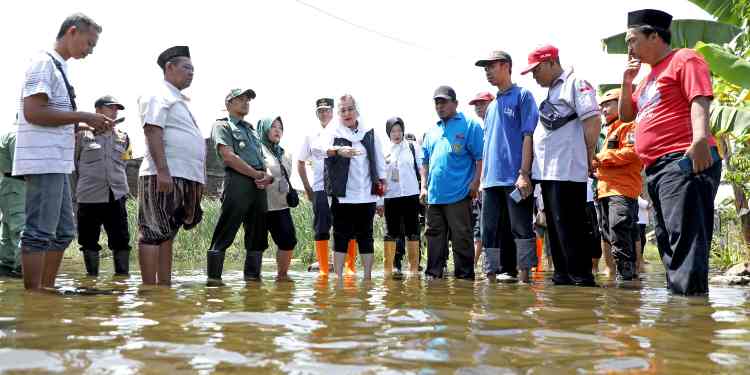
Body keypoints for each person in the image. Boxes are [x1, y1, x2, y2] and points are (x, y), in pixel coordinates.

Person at [620, 9, 721, 295]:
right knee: (667, 243)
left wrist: (700, 138)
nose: (629, 47)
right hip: (656, 168)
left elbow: (699, 97)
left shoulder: (684, 58)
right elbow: (627, 115)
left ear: (654, 35)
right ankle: (680, 316)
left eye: (632, 40)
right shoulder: (646, 78)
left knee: (685, 241)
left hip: (684, 160)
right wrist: (627, 82)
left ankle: (691, 318)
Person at [13, 13, 111, 291]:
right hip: (43, 161)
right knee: (39, 232)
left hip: (58, 161)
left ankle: (47, 289)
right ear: (72, 32)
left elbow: (51, 116)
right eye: (89, 43)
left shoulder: (60, 67)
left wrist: (82, 125)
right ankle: (35, 298)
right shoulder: (43, 63)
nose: (90, 51)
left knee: (64, 232)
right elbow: (33, 112)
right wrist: (83, 115)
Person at [522, 45, 601, 286]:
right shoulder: (552, 92)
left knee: (570, 230)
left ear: (550, 62)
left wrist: (589, 154)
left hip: (567, 171)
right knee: (556, 232)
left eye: (536, 70)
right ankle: (563, 281)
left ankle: (581, 283)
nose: (534, 76)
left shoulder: (575, 83)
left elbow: (593, 118)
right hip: (548, 173)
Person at [138, 46, 205, 286]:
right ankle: (149, 290)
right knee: (152, 233)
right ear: (170, 67)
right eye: (186, 68)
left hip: (183, 176)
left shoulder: (178, 99)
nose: (191, 73)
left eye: (193, 69)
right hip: (164, 174)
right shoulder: (158, 93)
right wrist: (162, 171)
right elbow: (152, 130)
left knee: (167, 233)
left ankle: (163, 288)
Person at [475, 50, 539, 283]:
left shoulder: (523, 96)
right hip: (490, 182)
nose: (488, 72)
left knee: (521, 229)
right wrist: (481, 181)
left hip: (514, 179)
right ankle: (489, 279)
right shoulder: (491, 106)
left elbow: (528, 136)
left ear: (506, 66)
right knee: (488, 231)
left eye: (492, 66)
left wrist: (524, 173)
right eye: (485, 68)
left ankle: (525, 279)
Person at [316, 94, 386, 280]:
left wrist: (381, 197)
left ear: (357, 110)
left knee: (366, 236)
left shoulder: (369, 133)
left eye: (350, 109)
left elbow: (380, 165)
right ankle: (338, 279)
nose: (347, 113)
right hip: (343, 195)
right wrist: (338, 150)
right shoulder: (333, 132)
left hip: (367, 195)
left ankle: (368, 279)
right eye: (342, 110)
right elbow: (317, 150)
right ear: (338, 113)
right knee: (340, 235)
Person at [206, 88, 271, 285]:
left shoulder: (251, 129)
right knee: (225, 231)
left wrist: (266, 177)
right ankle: (214, 283)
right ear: (228, 104)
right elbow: (228, 156)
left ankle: (253, 282)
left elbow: (261, 160)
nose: (245, 103)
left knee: (258, 233)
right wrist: (255, 174)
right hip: (238, 181)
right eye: (240, 99)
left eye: (248, 100)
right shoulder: (222, 126)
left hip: (258, 184)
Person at [420, 86, 484, 280]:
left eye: (444, 102)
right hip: (434, 196)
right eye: (437, 102)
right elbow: (425, 161)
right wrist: (423, 186)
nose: (440, 106)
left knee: (462, 238)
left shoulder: (470, 125)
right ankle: (433, 277)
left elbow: (480, 158)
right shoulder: (432, 131)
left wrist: (475, 183)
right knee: (433, 238)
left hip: (459, 194)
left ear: (455, 104)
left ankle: (464, 280)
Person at [298, 98, 358, 276]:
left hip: (342, 187)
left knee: (348, 226)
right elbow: (300, 162)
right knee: (321, 227)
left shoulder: (343, 130)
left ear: (333, 112)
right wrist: (307, 188)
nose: (324, 113)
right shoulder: (310, 135)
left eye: (327, 110)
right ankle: (324, 269)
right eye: (320, 111)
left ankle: (350, 267)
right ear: (317, 113)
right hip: (320, 188)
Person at [75, 96, 132, 277]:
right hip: (89, 196)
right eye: (110, 108)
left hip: (116, 195)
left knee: (121, 241)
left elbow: (125, 162)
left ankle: (121, 283)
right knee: (89, 241)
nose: (115, 111)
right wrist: (89, 126)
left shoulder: (124, 137)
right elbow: (74, 162)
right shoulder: (81, 135)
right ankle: (91, 283)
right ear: (98, 110)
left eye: (117, 109)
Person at [592, 88, 643, 280]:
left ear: (622, 104)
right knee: (608, 234)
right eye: (602, 106)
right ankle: (619, 277)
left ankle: (628, 280)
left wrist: (600, 158)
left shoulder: (630, 126)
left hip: (622, 190)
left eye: (608, 104)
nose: (604, 109)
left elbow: (632, 152)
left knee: (619, 231)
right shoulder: (609, 131)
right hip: (604, 190)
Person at [379, 117, 422, 276]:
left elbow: (422, 168)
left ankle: (413, 270)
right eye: (393, 131)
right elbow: (380, 177)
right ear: (388, 133)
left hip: (411, 194)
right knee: (391, 233)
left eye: (399, 130)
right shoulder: (384, 151)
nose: (396, 134)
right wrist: (379, 201)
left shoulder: (413, 147)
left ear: (403, 131)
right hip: (391, 196)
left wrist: (423, 188)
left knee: (412, 231)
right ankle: (388, 270)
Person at [258, 116, 297, 282]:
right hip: (260, 206)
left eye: (280, 127)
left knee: (288, 240)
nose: (277, 130)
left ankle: (282, 276)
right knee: (256, 244)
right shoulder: (257, 150)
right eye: (272, 126)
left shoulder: (285, 154)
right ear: (264, 129)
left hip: (281, 206)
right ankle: (253, 280)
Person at [468, 91, 495, 270]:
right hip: (482, 186)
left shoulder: (495, 127)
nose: (478, 107)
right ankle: (481, 266)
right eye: (476, 104)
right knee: (480, 227)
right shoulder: (480, 129)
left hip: (495, 184)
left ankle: (490, 266)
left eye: (482, 103)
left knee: (490, 227)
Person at [0, 129, 24, 278]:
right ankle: (23, 266)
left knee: (9, 228)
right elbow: (21, 166)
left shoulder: (9, 134)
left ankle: (8, 265)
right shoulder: (18, 135)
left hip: (10, 185)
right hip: (17, 185)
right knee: (20, 227)